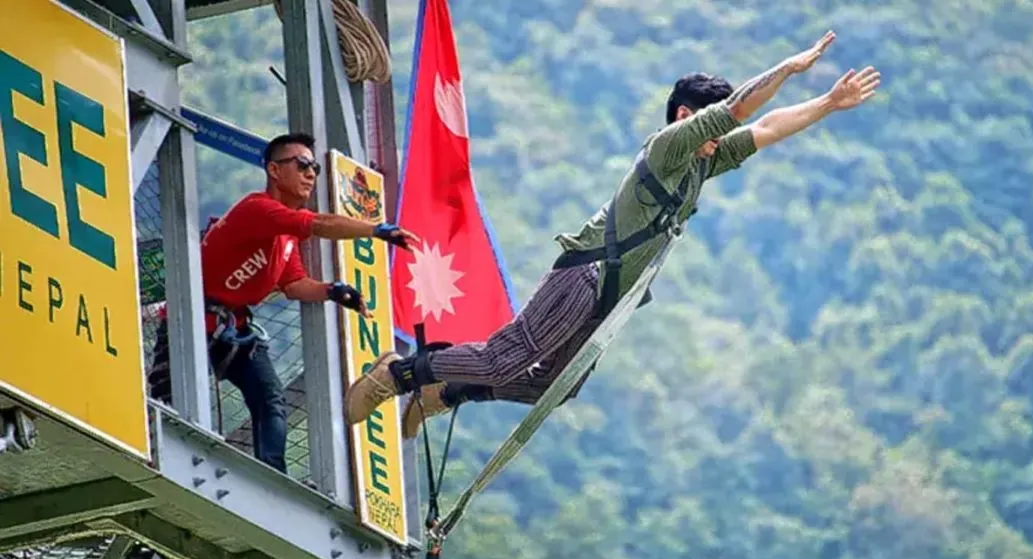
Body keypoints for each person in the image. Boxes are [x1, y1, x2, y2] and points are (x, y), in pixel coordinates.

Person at [344, 31, 882, 438]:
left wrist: (828, 104)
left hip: (611, 300)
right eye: (713, 127)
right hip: (589, 272)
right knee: (505, 356)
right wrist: (788, 68)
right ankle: (397, 374)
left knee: (553, 387)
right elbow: (741, 111)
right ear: (687, 117)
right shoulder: (670, 148)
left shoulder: (703, 166)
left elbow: (764, 128)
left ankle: (443, 392)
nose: (722, 138)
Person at [147, 132, 419, 474]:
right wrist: (377, 230)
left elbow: (294, 284)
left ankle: (271, 474)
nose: (310, 174)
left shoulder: (287, 236)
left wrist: (333, 291)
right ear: (274, 171)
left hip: (234, 329)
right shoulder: (257, 209)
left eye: (315, 168)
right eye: (302, 164)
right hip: (189, 323)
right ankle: (171, 462)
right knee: (172, 406)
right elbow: (319, 224)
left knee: (270, 399)